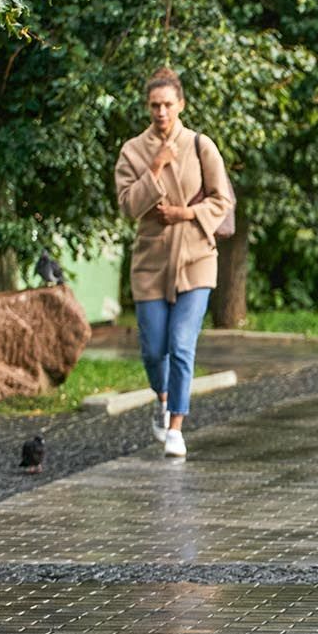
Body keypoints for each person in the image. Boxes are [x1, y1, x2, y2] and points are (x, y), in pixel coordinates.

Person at [114, 67, 233, 458]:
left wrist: (185, 215)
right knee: (153, 349)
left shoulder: (202, 145)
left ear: (180, 105)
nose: (161, 112)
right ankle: (163, 398)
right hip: (151, 263)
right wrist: (157, 167)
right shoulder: (133, 151)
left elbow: (222, 201)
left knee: (182, 344)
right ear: (147, 108)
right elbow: (129, 206)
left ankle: (177, 426)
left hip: (196, 258)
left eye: (167, 104)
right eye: (154, 105)